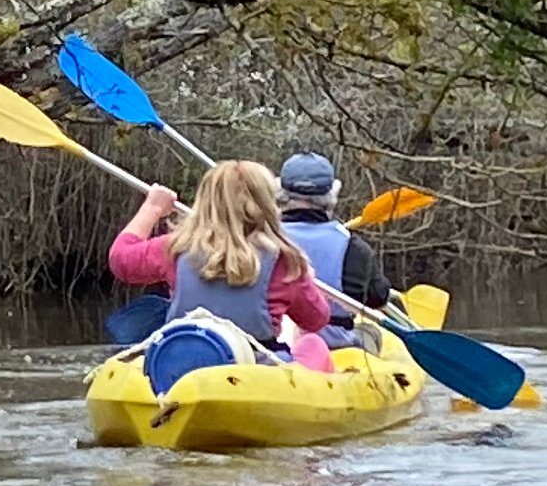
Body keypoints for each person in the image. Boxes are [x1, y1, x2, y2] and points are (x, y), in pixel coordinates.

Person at [111, 160, 333, 373]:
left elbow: (120, 260)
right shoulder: (286, 261)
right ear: (268, 205)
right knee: (313, 343)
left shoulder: (175, 248)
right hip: (257, 372)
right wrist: (307, 280)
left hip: (182, 366)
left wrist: (152, 208)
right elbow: (316, 320)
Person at [276, 152, 394, 344]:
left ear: (280, 192)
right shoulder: (353, 248)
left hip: (273, 349)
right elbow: (378, 298)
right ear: (331, 194)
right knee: (371, 335)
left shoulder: (260, 239)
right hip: (335, 349)